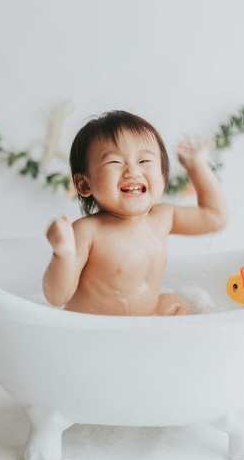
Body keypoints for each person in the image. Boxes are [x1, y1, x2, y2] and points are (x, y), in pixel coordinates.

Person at [43, 110, 227, 315]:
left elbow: (215, 218)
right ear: (84, 185)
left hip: (143, 320)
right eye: (114, 162)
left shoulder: (163, 218)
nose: (132, 171)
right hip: (97, 328)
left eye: (144, 161)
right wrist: (63, 253)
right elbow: (57, 297)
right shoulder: (87, 231)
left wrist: (197, 167)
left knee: (179, 304)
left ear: (163, 175)